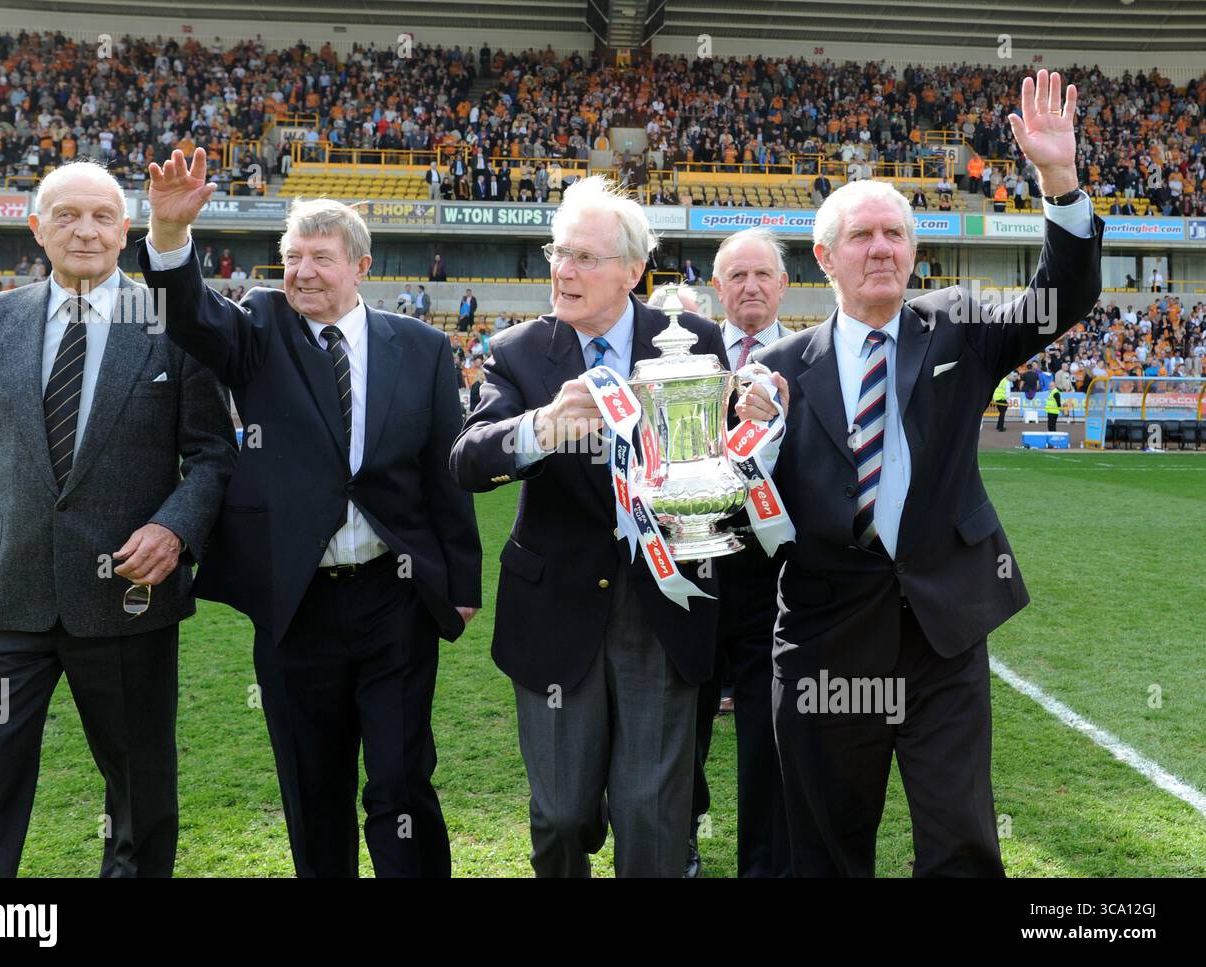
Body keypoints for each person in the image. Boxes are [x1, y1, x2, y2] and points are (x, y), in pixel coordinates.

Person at [741, 70, 1102, 877]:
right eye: (863, 236)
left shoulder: (960, 324)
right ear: (825, 257)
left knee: (962, 846)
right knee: (827, 853)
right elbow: (744, 511)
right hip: (826, 641)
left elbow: (1063, 294)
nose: (881, 248)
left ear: (914, 250)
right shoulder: (773, 371)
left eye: (895, 235)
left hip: (943, 632)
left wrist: (1057, 180)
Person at [140, 148, 482, 878]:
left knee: (398, 780)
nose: (301, 272)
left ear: (360, 267)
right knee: (311, 784)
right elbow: (190, 315)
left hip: (394, 597)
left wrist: (462, 580)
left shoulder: (420, 348)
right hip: (296, 603)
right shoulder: (259, 327)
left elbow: (443, 471)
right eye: (292, 257)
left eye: (320, 258)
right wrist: (169, 237)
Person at [0, 159, 237, 877]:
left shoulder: (173, 322)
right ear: (37, 229)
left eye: (102, 215)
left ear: (124, 229)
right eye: (66, 215)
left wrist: (175, 526)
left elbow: (215, 456)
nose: (85, 230)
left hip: (127, 601)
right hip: (1, 596)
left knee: (139, 799)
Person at [450, 176, 739, 877]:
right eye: (557, 252)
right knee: (561, 815)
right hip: (553, 612)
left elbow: (723, 459)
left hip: (663, 606)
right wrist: (541, 428)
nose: (562, 270)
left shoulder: (693, 341)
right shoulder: (519, 351)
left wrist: (753, 423)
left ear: (632, 271)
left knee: (652, 816)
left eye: (582, 257)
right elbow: (468, 458)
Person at [688, 227, 795, 879]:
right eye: (737, 276)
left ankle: (766, 863)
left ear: (784, 286)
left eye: (763, 275)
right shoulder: (683, 363)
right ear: (717, 288)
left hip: (776, 578)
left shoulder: (811, 360)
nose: (751, 286)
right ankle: (683, 844)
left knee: (767, 737)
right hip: (689, 570)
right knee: (681, 729)